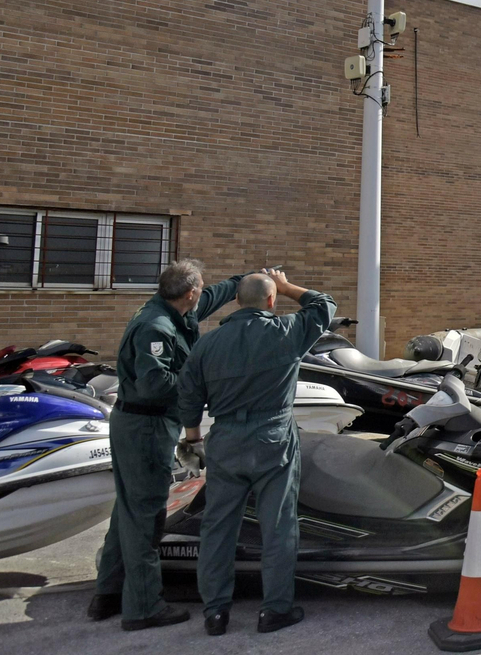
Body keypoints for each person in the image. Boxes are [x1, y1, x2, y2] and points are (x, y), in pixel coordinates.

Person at [89, 259, 247, 630]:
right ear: (189, 293)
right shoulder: (155, 327)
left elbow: (215, 294)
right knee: (146, 515)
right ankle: (143, 607)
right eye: (199, 290)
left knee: (127, 510)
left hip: (145, 423)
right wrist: (199, 378)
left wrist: (249, 279)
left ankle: (107, 593)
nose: (202, 296)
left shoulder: (176, 309)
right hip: (144, 426)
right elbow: (155, 384)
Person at [177, 270, 335, 635]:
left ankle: (215, 613)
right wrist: (286, 286)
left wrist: (194, 439)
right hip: (273, 437)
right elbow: (324, 304)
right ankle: (274, 610)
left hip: (226, 439)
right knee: (278, 526)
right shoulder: (287, 332)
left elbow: (188, 396)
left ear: (236, 301)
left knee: (218, 527)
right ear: (270, 301)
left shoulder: (207, 343)